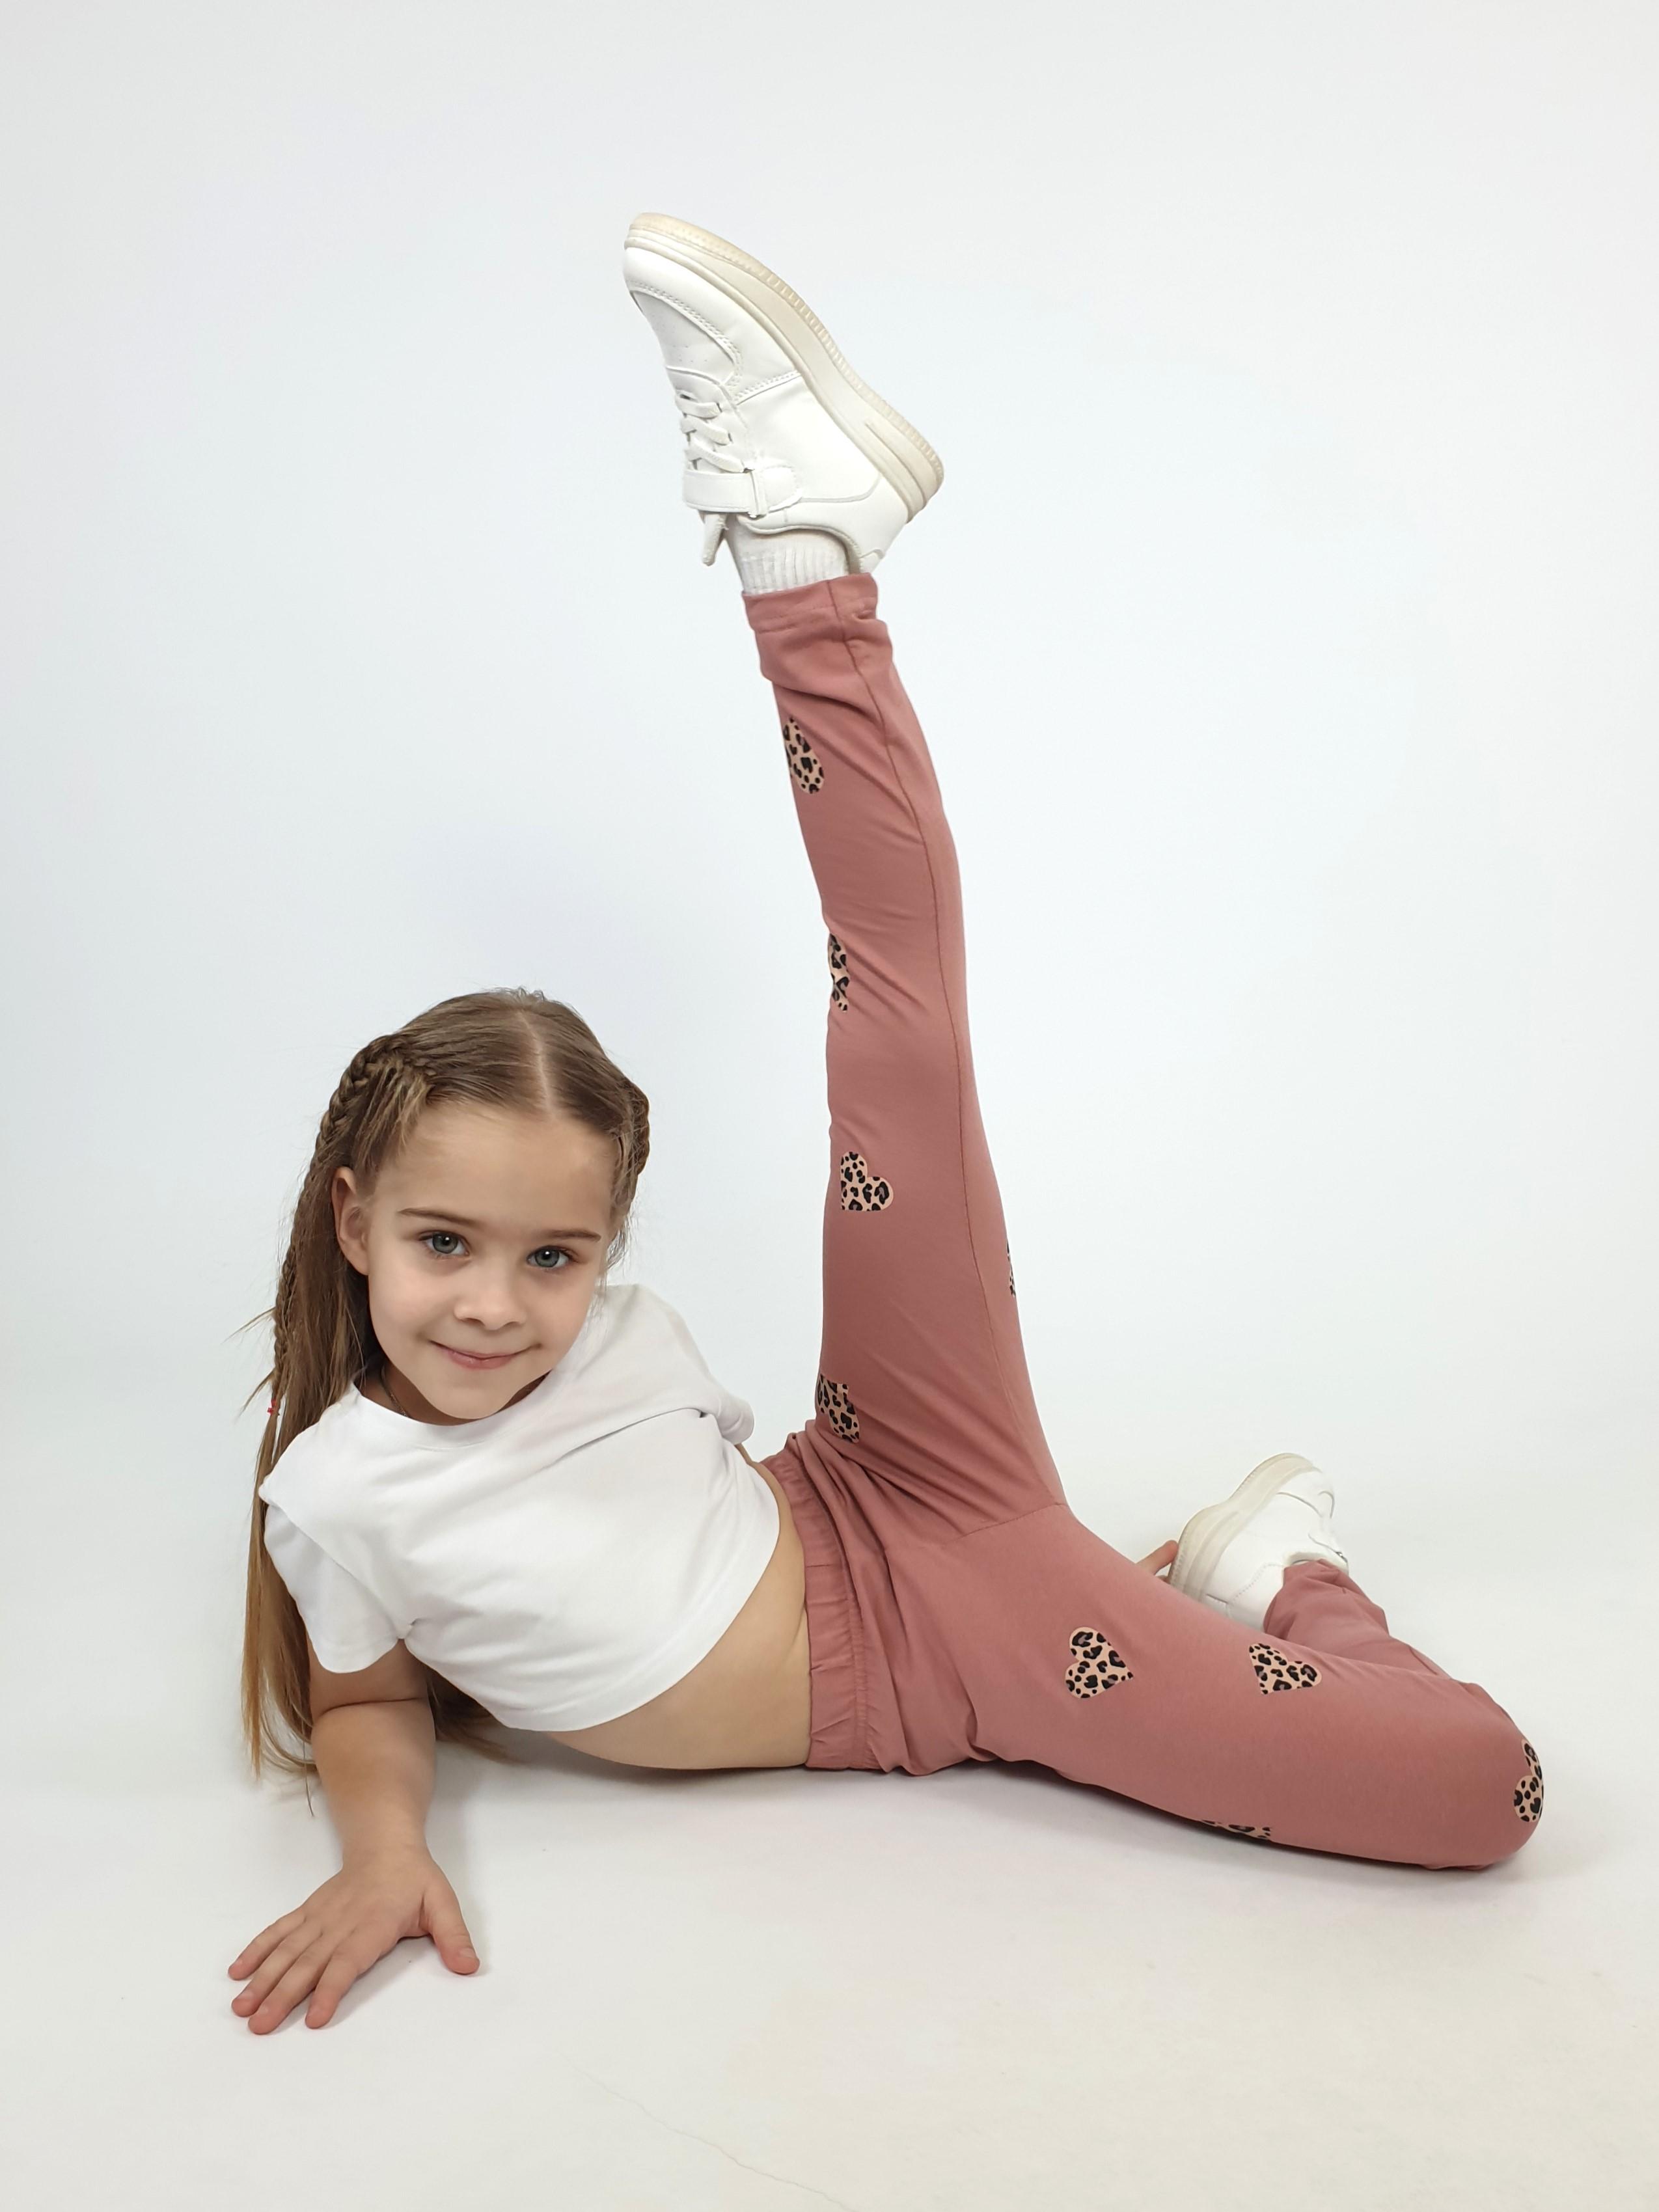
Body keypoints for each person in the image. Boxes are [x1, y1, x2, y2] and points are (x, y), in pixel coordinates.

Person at [228, 215, 1544, 2036]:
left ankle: (802, 552)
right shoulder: (334, 1495)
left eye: (557, 1256)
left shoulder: (605, 1348)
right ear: (353, 1219)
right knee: (1482, 1787)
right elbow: (367, 1701)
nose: (496, 1304)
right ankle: (1259, 1569)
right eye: (445, 1243)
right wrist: (380, 1852)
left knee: (898, 1032)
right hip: (956, 1669)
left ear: (607, 1252)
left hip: (894, 1475)